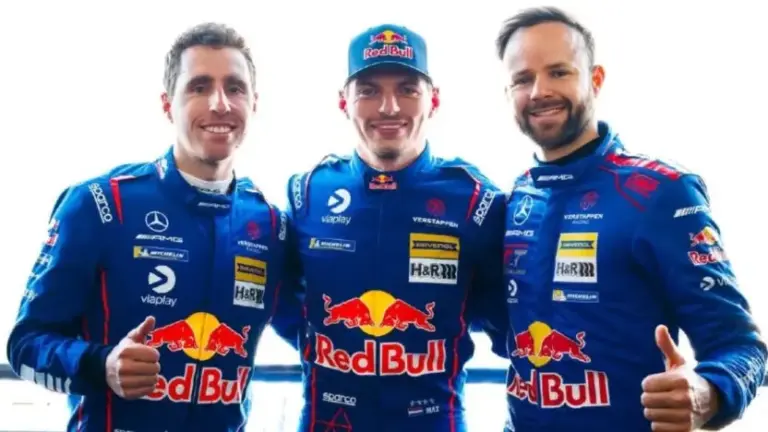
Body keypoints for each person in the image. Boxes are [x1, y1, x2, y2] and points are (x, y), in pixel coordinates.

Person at [6, 22, 299, 432]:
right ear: (168, 105)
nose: (220, 103)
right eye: (199, 87)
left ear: (253, 103)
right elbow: (25, 345)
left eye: (234, 88)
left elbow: (318, 336)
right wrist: (102, 364)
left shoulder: (271, 226)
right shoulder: (101, 204)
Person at [494, 7, 767, 431]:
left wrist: (707, 393)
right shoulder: (513, 200)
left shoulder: (662, 192)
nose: (539, 91)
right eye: (523, 79)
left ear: (595, 79)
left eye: (559, 72)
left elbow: (744, 348)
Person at [284, 23, 508, 431]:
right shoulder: (308, 191)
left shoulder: (477, 200)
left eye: (407, 89)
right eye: (369, 90)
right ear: (344, 101)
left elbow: (511, 326)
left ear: (433, 99)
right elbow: (277, 304)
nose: (389, 108)